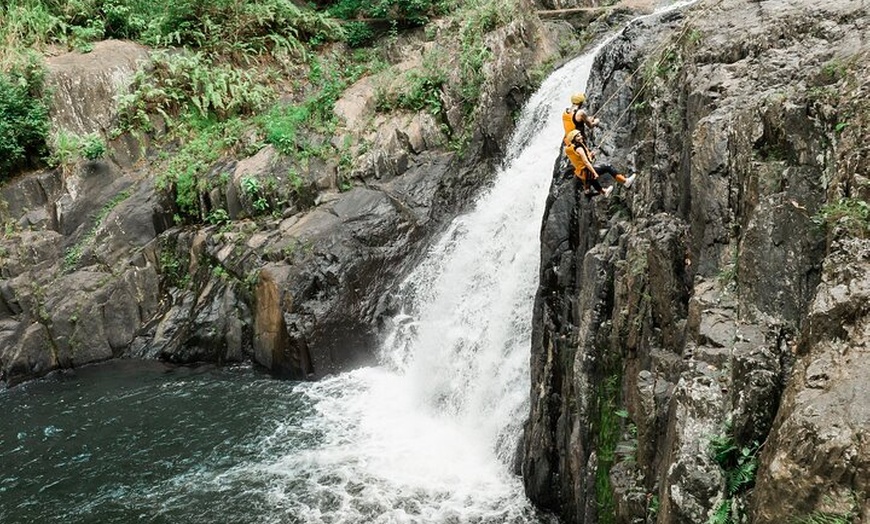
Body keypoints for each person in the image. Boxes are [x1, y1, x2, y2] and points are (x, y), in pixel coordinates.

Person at [564, 129, 637, 198]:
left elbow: (580, 159)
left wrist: (590, 156)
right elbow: (586, 162)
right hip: (587, 171)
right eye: (578, 136)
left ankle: (604, 192)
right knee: (607, 167)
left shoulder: (573, 148)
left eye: (580, 135)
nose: (581, 136)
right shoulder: (579, 148)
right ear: (574, 139)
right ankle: (625, 182)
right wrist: (594, 172)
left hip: (582, 173)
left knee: (592, 180)